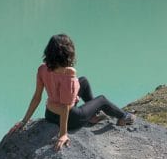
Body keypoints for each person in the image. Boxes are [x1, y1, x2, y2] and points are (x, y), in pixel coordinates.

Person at [7, 34, 135, 151]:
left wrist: (24, 121)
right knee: (101, 99)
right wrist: (63, 134)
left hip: (50, 114)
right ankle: (124, 117)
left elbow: (37, 97)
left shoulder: (42, 69)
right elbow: (65, 106)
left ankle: (92, 116)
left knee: (83, 81)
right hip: (71, 118)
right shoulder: (68, 72)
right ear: (68, 52)